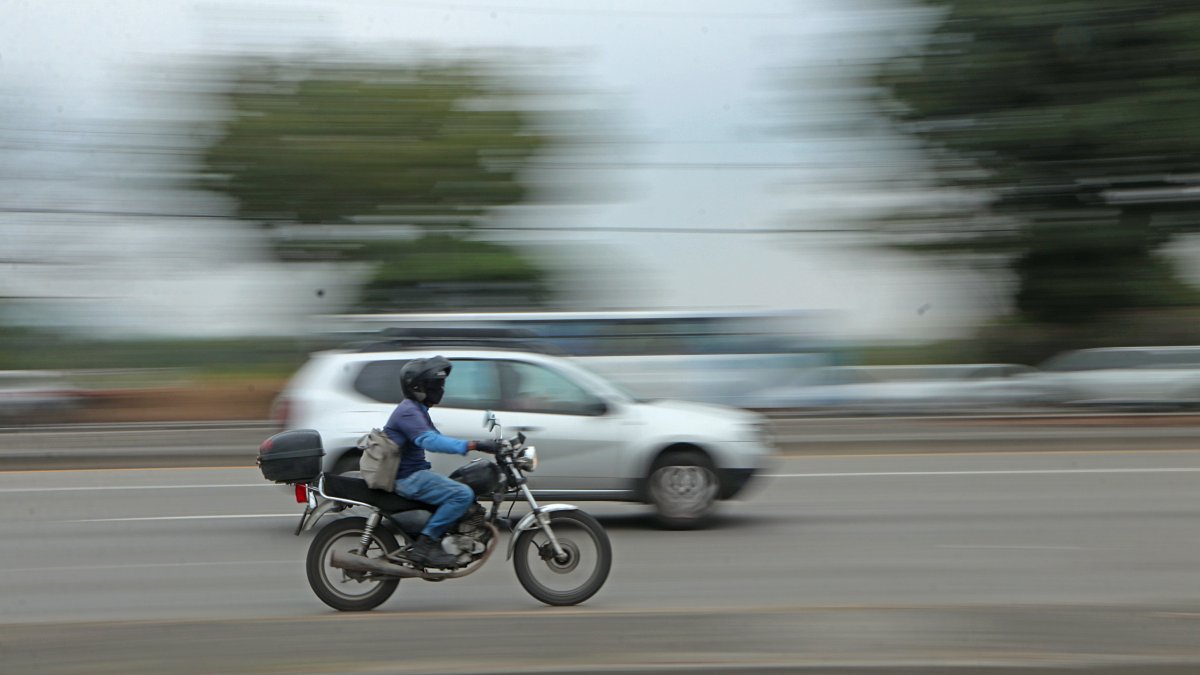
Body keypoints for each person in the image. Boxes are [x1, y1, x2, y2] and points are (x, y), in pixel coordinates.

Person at [384, 355, 498, 568]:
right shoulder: (408, 411)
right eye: (436, 385)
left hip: (414, 474)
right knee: (462, 494)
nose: (441, 389)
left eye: (441, 384)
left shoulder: (417, 410)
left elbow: (440, 438)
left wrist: (483, 444)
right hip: (408, 478)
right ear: (418, 387)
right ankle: (425, 546)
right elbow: (431, 441)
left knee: (460, 485)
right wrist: (472, 445)